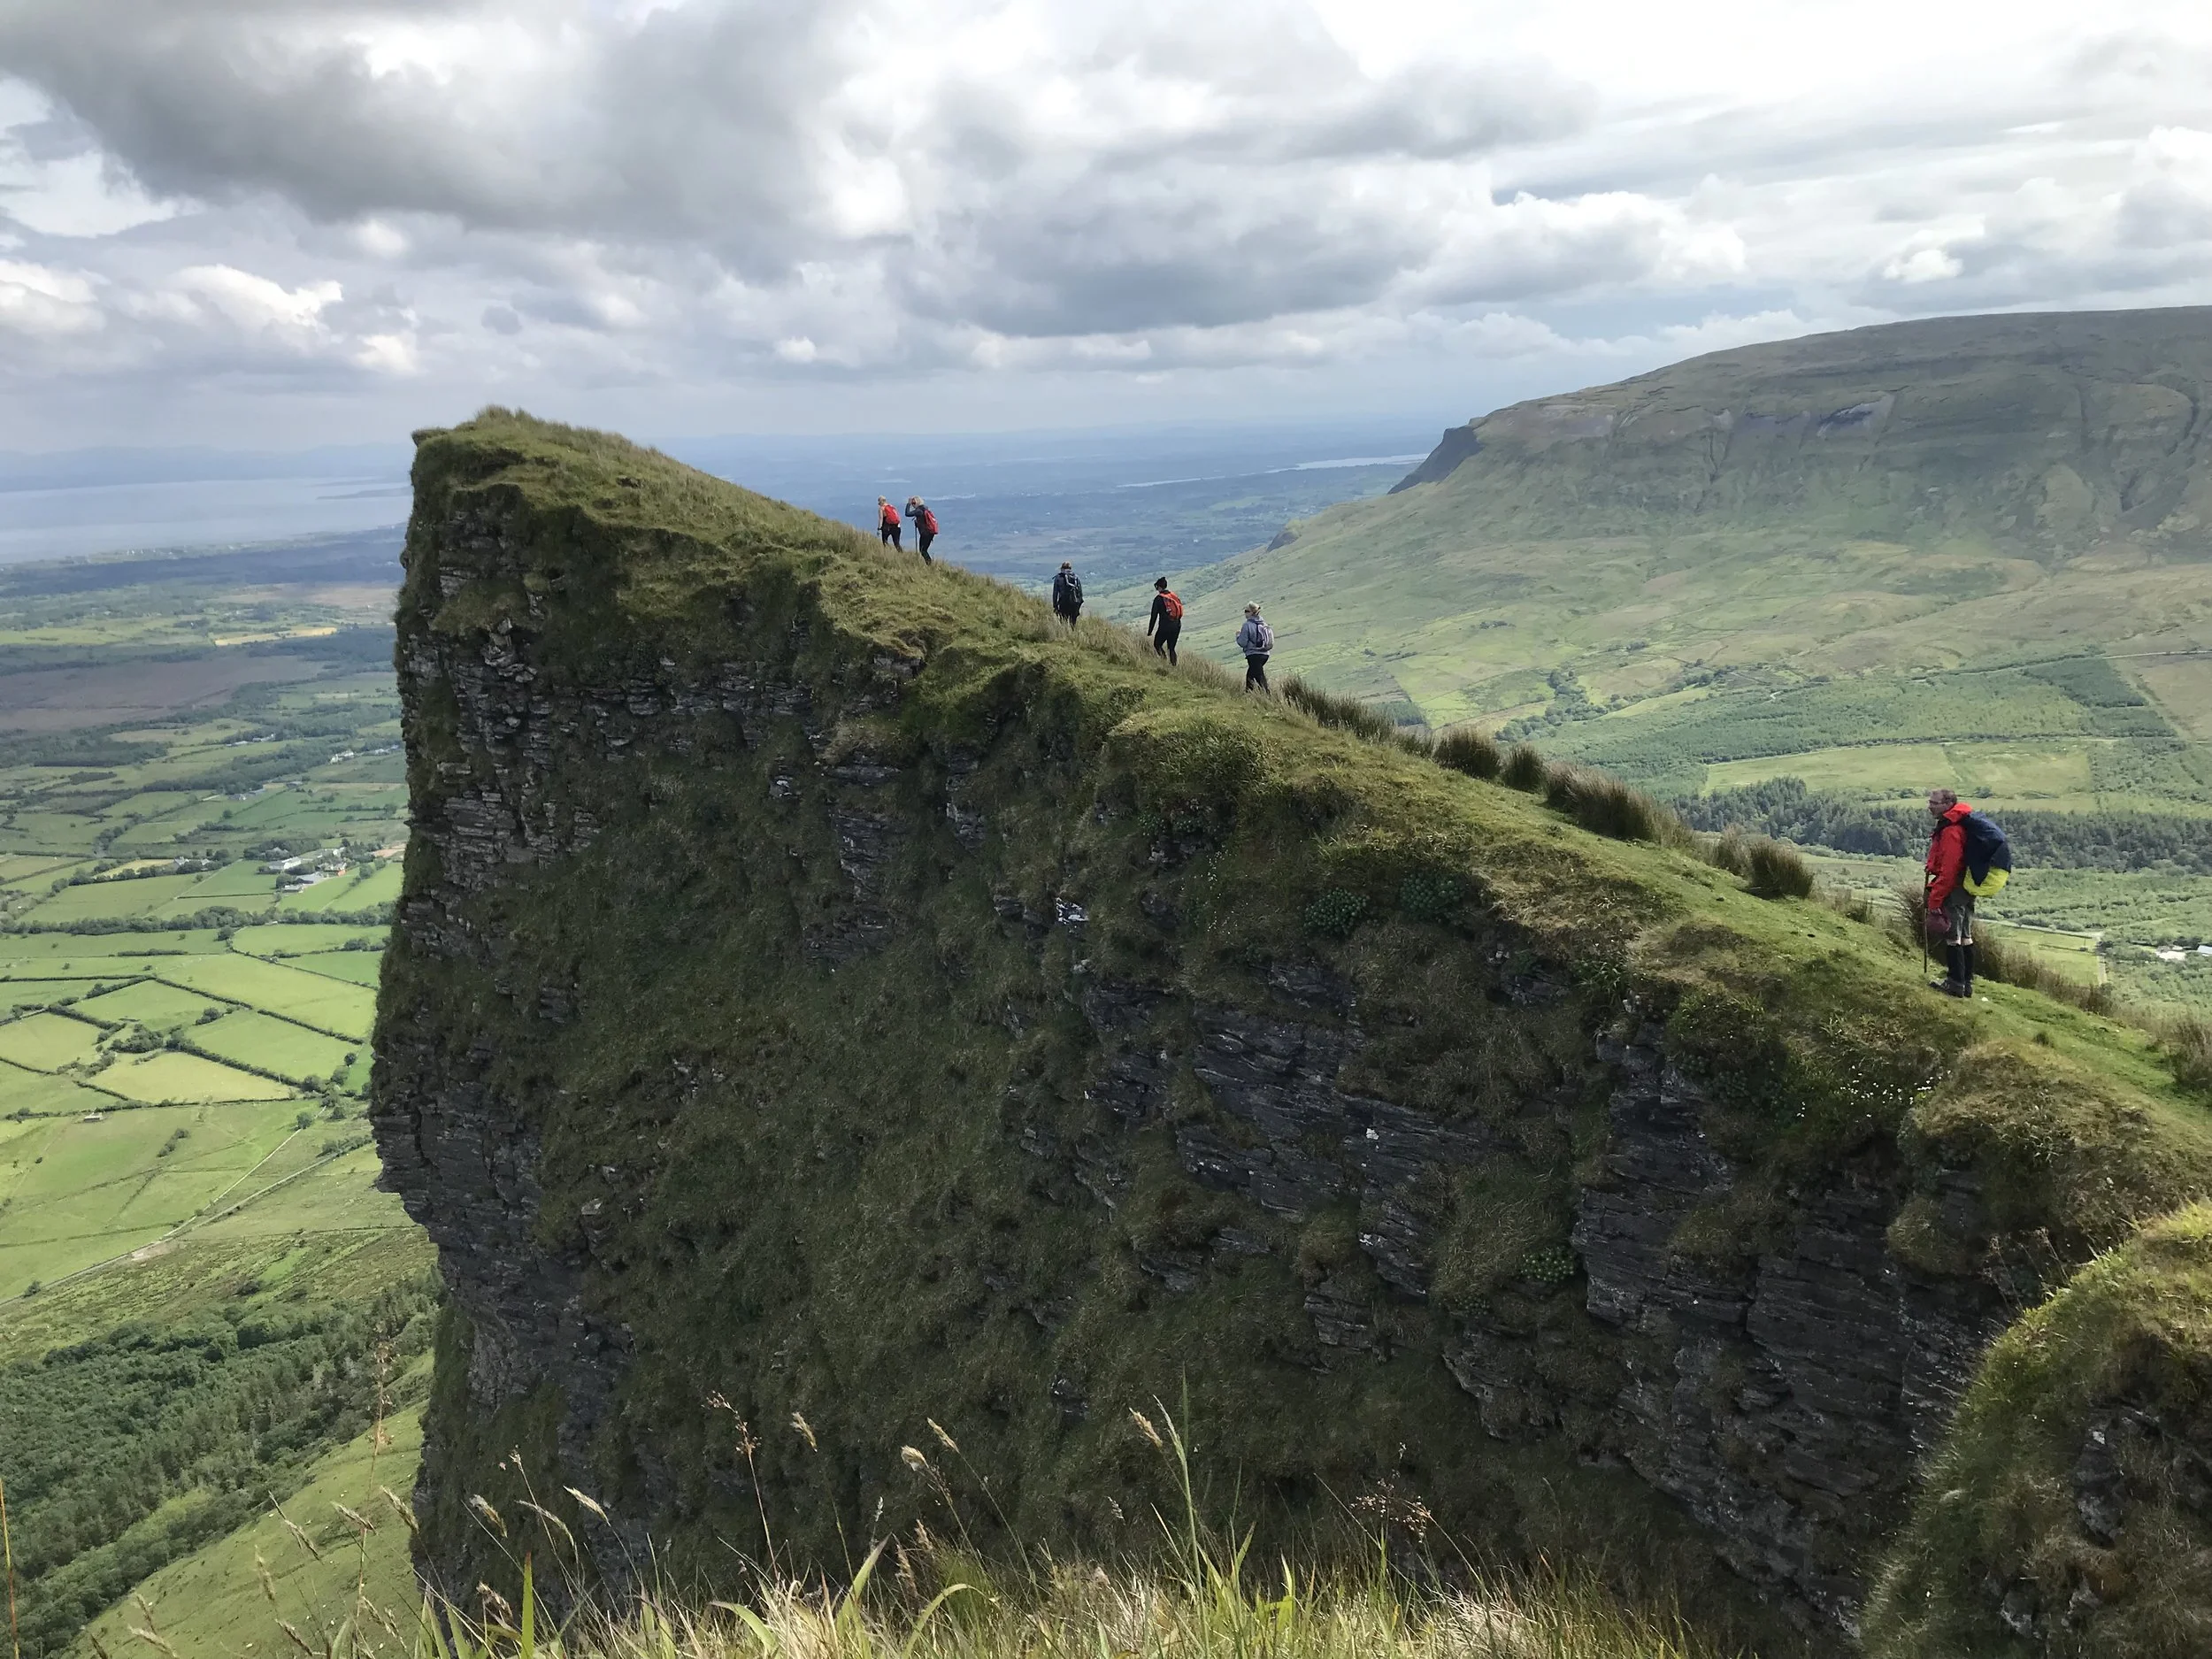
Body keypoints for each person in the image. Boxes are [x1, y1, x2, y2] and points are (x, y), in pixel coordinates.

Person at [1924, 787, 2010, 998]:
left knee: (1953, 937)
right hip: (1967, 885)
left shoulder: (1952, 831)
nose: (1930, 806)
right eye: (1930, 802)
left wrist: (1935, 899)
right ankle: (1966, 983)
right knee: (1966, 936)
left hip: (1955, 888)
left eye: (1934, 803)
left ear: (1948, 804)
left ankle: (1955, 984)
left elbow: (1950, 868)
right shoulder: (1959, 824)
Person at [1236, 603, 1273, 691]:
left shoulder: (1247, 625)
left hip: (1253, 654)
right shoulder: (1265, 624)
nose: (1245, 613)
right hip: (1265, 654)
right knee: (1251, 675)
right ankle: (1250, 695)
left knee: (1259, 677)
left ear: (1252, 613)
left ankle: (1266, 696)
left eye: (1246, 611)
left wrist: (1238, 636)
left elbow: (1242, 643)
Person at [1146, 576, 1182, 664]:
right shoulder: (1173, 596)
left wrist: (1150, 631)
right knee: (1171, 648)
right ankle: (1174, 666)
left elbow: (1153, 617)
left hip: (1165, 627)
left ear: (1159, 587)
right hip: (1177, 625)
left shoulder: (1158, 599)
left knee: (1157, 644)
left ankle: (1163, 661)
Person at [1050, 561, 1083, 628]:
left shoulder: (1058, 578)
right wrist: (1079, 604)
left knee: (1063, 622)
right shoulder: (1075, 577)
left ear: (1062, 568)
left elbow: (1055, 593)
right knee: (1073, 624)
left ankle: (1064, 636)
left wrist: (1055, 606)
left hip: (1063, 603)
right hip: (1074, 603)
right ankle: (1074, 636)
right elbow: (1080, 593)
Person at [906, 496, 939, 564]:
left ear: (917, 502)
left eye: (914, 503)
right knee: (924, 550)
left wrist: (908, 504)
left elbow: (907, 514)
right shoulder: (925, 509)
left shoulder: (919, 511)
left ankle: (929, 564)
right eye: (912, 503)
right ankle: (929, 564)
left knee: (923, 550)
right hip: (930, 533)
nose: (913, 505)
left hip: (925, 533)